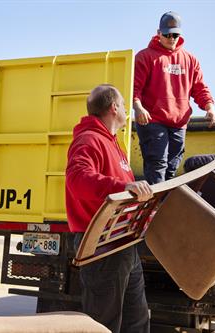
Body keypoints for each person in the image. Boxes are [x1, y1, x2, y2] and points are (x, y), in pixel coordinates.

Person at [65, 84, 152, 333]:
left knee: (137, 321)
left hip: (123, 242)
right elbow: (78, 178)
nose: (127, 109)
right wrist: (125, 186)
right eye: (124, 104)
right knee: (104, 324)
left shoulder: (115, 145)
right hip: (102, 247)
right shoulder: (89, 140)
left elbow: (125, 194)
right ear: (114, 108)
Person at [133, 11, 215, 185]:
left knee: (172, 168)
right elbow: (135, 87)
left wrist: (210, 107)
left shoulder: (190, 59)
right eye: (167, 34)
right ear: (158, 33)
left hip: (179, 122)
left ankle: (163, 205)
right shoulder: (145, 57)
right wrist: (138, 107)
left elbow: (199, 87)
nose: (171, 38)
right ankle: (155, 208)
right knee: (158, 164)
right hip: (152, 120)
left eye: (175, 35)